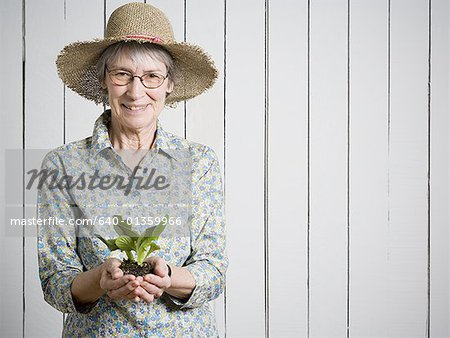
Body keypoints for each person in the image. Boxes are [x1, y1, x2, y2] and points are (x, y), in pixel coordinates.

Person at [37, 2, 227, 337]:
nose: (135, 91)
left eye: (152, 76)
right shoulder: (63, 166)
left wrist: (168, 276)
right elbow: (55, 282)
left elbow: (214, 271)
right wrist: (100, 279)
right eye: (122, 74)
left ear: (169, 84)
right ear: (104, 81)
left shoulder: (199, 163)